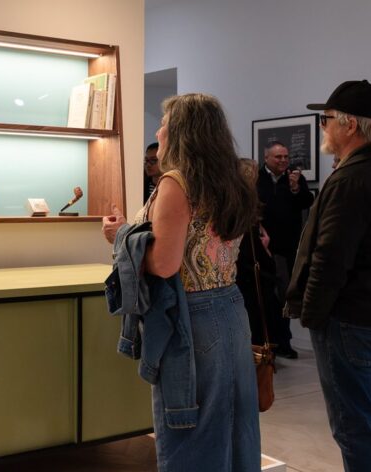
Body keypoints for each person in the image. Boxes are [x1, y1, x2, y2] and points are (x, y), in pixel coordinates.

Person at [103, 93, 261, 471]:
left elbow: (163, 263)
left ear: (181, 131)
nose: (159, 132)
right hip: (232, 308)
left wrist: (120, 234)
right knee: (233, 421)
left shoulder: (177, 181)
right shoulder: (236, 179)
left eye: (163, 124)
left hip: (192, 315)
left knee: (193, 429)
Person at [285, 79, 371, 472]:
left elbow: (330, 258)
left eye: (325, 119)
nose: (322, 127)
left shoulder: (351, 180)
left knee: (354, 426)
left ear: (351, 125)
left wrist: (311, 315)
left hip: (351, 321)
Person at [257, 141, 314, 358]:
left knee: (283, 297)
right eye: (278, 157)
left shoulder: (294, 178)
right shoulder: (256, 178)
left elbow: (307, 202)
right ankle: (265, 342)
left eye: (285, 157)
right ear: (266, 158)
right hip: (261, 247)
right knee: (264, 297)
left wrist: (296, 188)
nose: (283, 160)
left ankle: (283, 343)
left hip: (286, 249)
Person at [236, 158, 279, 346]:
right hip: (249, 273)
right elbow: (250, 245)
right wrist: (266, 253)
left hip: (244, 271)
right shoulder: (243, 205)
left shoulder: (238, 204)